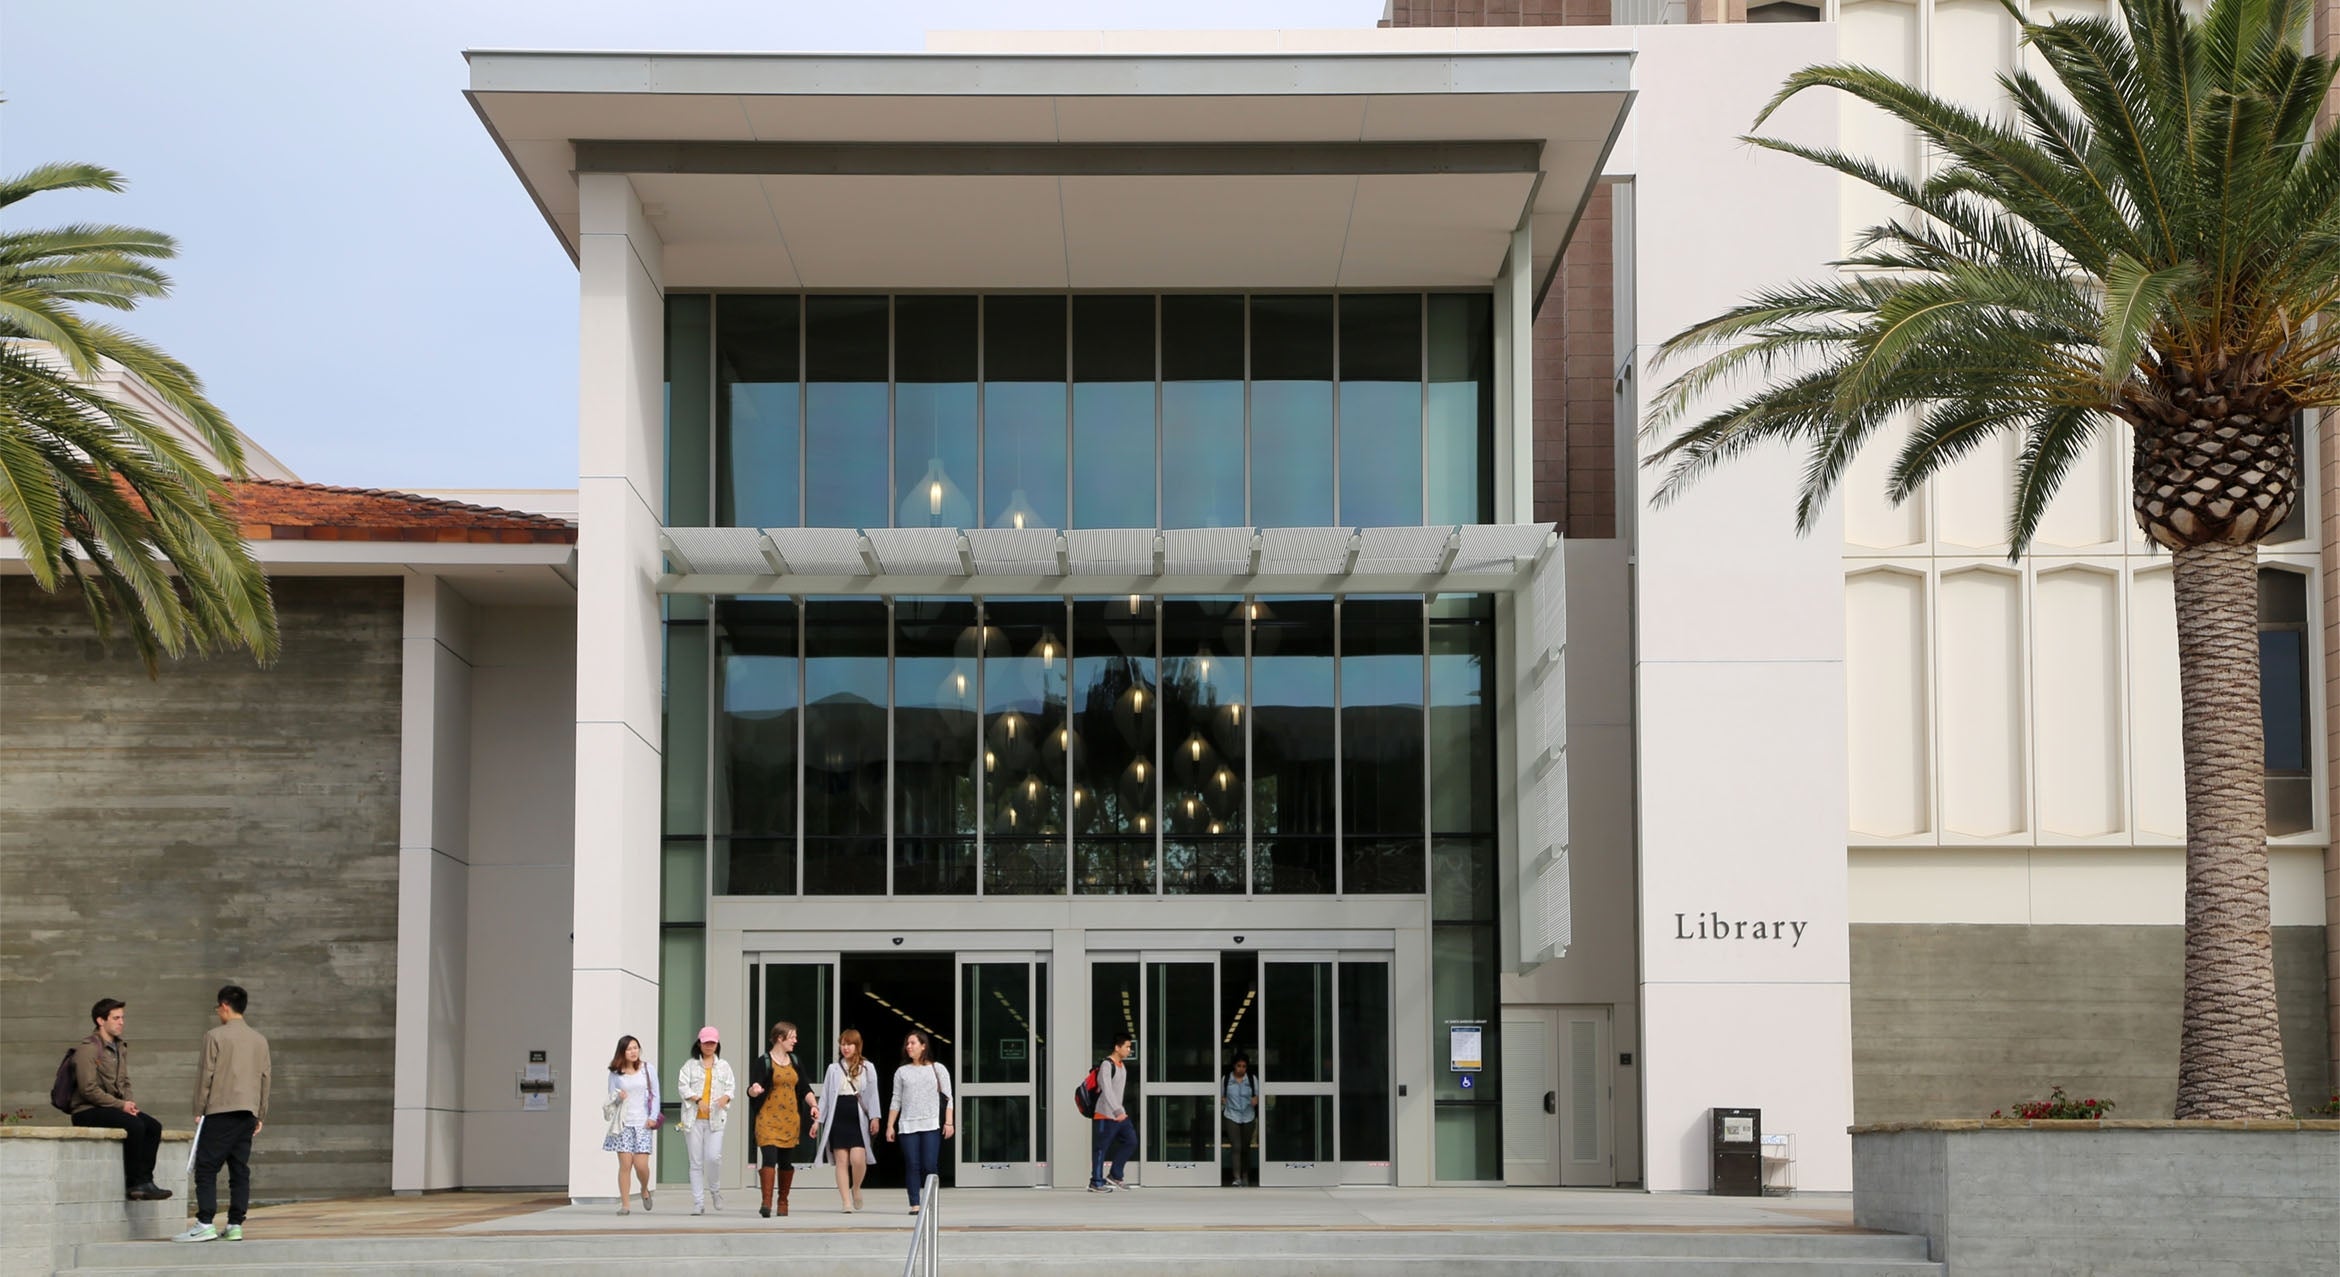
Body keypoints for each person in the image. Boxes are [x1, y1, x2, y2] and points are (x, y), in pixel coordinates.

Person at [174, 986, 270, 1244]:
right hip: (248, 1112)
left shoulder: (214, 1036)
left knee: (206, 1167)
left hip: (220, 1110)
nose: (218, 1012)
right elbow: (265, 1078)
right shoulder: (259, 1040)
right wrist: (260, 1114)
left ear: (225, 1006)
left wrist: (199, 1108)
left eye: (218, 1008)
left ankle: (205, 1221)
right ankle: (235, 1224)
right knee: (239, 1169)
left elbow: (206, 1074)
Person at [67, 998, 171, 1202]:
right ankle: (134, 1184)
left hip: (113, 1107)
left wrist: (129, 1104)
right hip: (86, 1110)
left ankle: (146, 1181)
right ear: (100, 1020)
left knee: (153, 1126)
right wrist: (121, 1105)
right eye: (115, 1018)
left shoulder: (120, 1047)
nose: (121, 1022)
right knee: (135, 1125)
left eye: (122, 1018)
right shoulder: (88, 1049)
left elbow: (125, 1082)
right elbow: (88, 1090)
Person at [747, 1020, 818, 1218]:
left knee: (786, 1162)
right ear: (780, 1038)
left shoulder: (795, 1061)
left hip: (789, 1119)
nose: (795, 1040)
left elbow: (804, 1087)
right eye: (792, 1037)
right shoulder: (764, 1061)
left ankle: (783, 1201)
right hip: (767, 1118)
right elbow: (752, 1089)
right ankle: (766, 1202)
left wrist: (813, 1105)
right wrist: (754, 1090)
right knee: (769, 1157)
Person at [884, 1029, 953, 1215]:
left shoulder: (937, 1069)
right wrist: (890, 1125)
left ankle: (931, 1201)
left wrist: (949, 1122)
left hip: (931, 1123)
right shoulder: (901, 1072)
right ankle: (915, 1203)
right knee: (912, 1164)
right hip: (908, 1124)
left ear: (923, 1046)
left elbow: (949, 1097)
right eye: (907, 1044)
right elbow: (896, 1099)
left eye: (913, 1043)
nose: (909, 1047)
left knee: (930, 1164)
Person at [814, 1028, 882, 1212]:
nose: (845, 1048)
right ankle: (846, 1202)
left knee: (858, 1158)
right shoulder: (833, 1069)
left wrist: (875, 1117)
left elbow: (873, 1095)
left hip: (858, 1118)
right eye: (842, 1044)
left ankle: (856, 1188)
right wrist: (817, 1121)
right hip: (838, 1118)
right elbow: (826, 1097)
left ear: (857, 1045)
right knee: (842, 1161)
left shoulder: (868, 1067)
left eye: (849, 1044)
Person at [678, 1026, 736, 1215]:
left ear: (717, 1044)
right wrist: (697, 1099)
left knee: (713, 1157)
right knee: (695, 1162)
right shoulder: (690, 1065)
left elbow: (731, 1088)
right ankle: (698, 1202)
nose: (709, 1046)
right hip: (693, 1119)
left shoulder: (724, 1066)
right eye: (706, 1042)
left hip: (716, 1119)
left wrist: (725, 1099)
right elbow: (682, 1087)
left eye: (712, 1042)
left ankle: (715, 1190)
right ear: (699, 1043)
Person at [601, 1035, 658, 1215]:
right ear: (622, 1052)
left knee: (641, 1165)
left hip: (643, 1123)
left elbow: (655, 1094)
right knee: (625, 1164)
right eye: (629, 1049)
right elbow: (611, 1097)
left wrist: (653, 1116)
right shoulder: (615, 1073)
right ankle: (625, 1204)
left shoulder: (647, 1069)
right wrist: (619, 1097)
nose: (633, 1052)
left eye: (636, 1048)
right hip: (623, 1123)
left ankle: (644, 1189)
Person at [1088, 1030, 1136, 1193]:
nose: (1129, 1050)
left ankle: (1115, 1175)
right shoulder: (1107, 1065)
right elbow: (1107, 1089)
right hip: (1105, 1114)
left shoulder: (1122, 1067)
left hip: (1118, 1114)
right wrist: (1117, 1110)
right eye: (1127, 1047)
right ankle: (1096, 1182)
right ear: (1117, 1047)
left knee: (1131, 1141)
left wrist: (1119, 1111)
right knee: (1101, 1148)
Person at [1221, 1053, 1258, 1187]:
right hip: (1231, 1115)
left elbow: (1257, 1095)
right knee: (1236, 1147)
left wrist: (1256, 1099)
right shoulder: (1226, 1079)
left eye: (1244, 1066)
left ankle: (1245, 1175)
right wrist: (1222, 1100)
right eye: (1239, 1066)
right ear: (1234, 1066)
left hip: (1248, 1116)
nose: (1241, 1069)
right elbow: (1221, 1096)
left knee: (1245, 1148)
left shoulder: (1252, 1079)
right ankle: (1236, 1177)